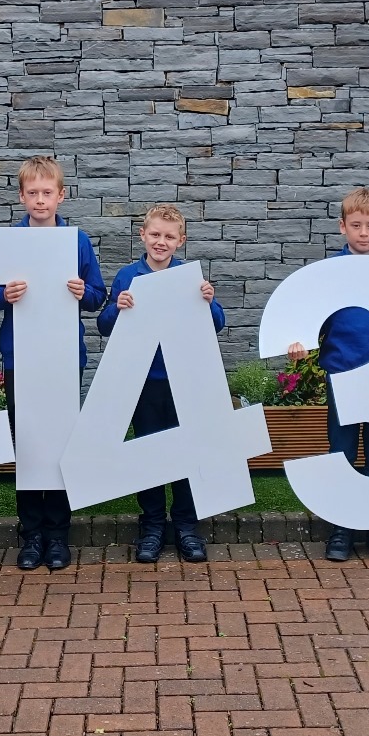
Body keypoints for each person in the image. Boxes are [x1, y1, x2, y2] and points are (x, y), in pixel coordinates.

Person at [0, 157, 106, 571]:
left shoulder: (77, 241)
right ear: (21, 196)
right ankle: (31, 534)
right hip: (22, 356)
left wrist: (82, 290)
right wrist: (6, 294)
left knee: (63, 444)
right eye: (32, 193)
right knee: (29, 444)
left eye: (47, 192)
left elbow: (97, 297)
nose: (39, 199)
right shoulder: (10, 241)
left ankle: (58, 533)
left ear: (61, 195)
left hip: (65, 356)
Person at [286, 186, 369, 563]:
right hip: (342, 374)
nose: (362, 232)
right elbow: (308, 315)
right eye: (355, 225)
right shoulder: (329, 275)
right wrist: (297, 340)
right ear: (342, 227)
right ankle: (342, 527)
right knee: (340, 452)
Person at [97, 203, 225, 564]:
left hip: (183, 381)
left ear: (180, 241)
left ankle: (186, 526)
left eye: (169, 236)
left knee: (186, 453)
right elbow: (105, 326)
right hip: (142, 381)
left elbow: (216, 323)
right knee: (149, 455)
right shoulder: (127, 275)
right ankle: (152, 527)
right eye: (155, 234)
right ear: (143, 235)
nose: (161, 241)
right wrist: (117, 307)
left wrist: (209, 301)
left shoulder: (188, 277)